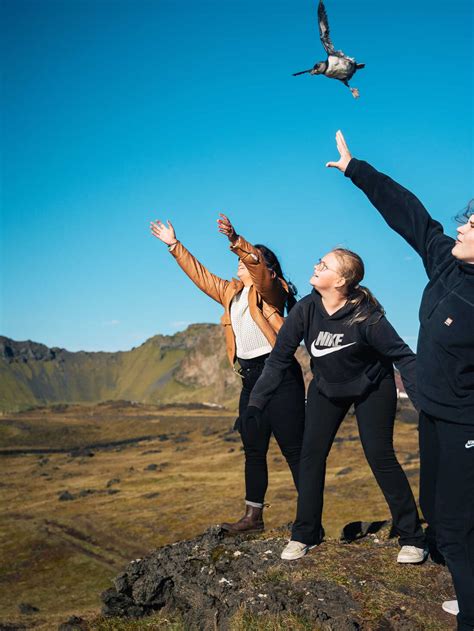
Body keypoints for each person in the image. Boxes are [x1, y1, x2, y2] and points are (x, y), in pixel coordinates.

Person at [326, 129, 474, 631]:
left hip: (465, 423)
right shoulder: (445, 265)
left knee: (454, 526)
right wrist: (356, 171)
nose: (463, 226)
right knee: (438, 510)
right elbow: (409, 212)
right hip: (432, 412)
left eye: (473, 224)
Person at [245, 247, 426, 563]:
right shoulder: (305, 309)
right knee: (311, 456)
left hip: (372, 386)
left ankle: (413, 538)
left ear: (340, 280)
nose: (316, 265)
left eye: (324, 264)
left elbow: (404, 357)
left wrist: (426, 402)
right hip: (326, 389)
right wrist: (256, 404)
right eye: (319, 260)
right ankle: (305, 534)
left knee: (379, 455)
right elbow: (279, 359)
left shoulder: (367, 316)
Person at [150, 214, 306, 533]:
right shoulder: (229, 293)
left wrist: (237, 240)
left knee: (293, 449)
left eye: (247, 259)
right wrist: (174, 246)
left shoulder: (272, 292)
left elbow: (260, 272)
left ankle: (309, 516)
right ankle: (253, 517)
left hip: (279, 377)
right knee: (253, 447)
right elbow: (201, 276)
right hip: (251, 379)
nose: (237, 263)